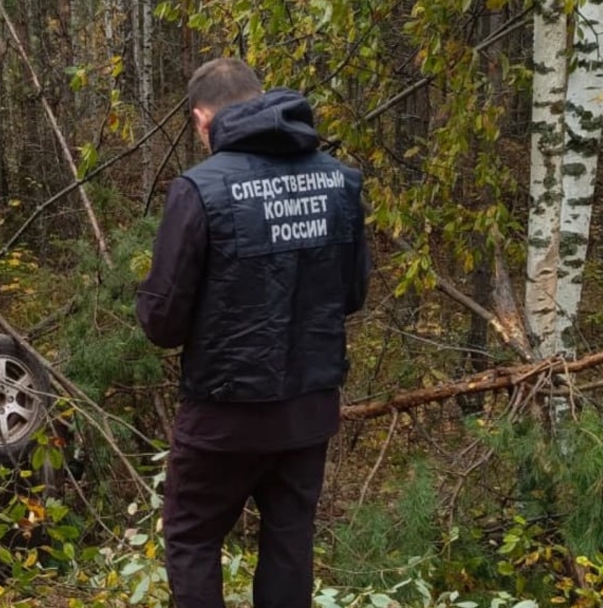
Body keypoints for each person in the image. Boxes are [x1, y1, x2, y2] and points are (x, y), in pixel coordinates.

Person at [135, 58, 371, 608]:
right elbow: (352, 294)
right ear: (260, 98)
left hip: (224, 412)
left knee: (192, 535)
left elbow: (162, 323)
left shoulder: (200, 189)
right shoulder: (338, 180)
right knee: (289, 537)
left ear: (201, 120)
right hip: (309, 407)